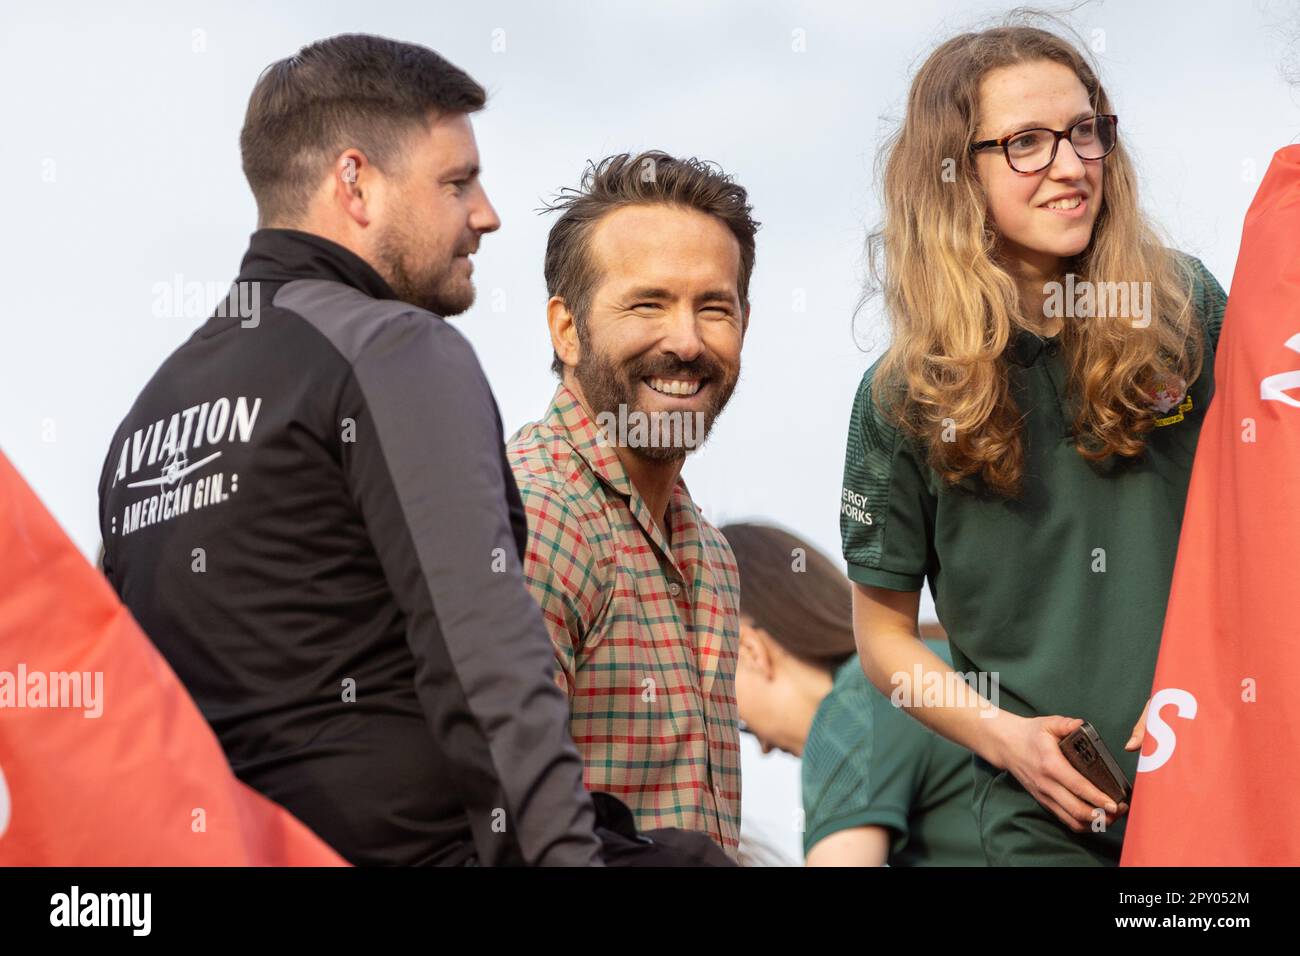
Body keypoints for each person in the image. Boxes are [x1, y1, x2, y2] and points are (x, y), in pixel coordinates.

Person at [97, 33, 601, 866]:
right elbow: (489, 676)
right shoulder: (393, 348)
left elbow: (129, 713)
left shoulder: (144, 425)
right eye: (457, 182)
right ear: (356, 183)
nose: (487, 213)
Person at [841, 23, 1227, 865]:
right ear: (954, 175)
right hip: (1044, 822)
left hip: (1220, 779)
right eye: (1025, 143)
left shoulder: (1185, 307)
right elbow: (883, 641)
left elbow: (1271, 517)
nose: (1070, 163)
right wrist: (1007, 739)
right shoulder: (900, 399)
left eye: (1085, 130)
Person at [507, 151, 757, 858]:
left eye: (714, 307)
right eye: (648, 303)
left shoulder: (707, 550)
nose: (685, 341)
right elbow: (498, 808)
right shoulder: (540, 511)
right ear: (566, 328)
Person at [722, 523, 985, 866]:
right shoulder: (931, 664)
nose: (765, 747)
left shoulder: (850, 711)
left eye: (744, 725)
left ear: (749, 649)